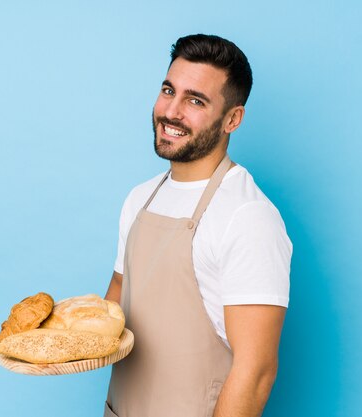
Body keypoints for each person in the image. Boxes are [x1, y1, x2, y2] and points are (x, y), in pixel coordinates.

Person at [104, 34, 292, 417]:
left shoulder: (247, 216)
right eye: (168, 90)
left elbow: (255, 371)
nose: (171, 112)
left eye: (195, 100)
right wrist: (60, 341)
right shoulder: (140, 198)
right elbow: (119, 295)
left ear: (232, 119)